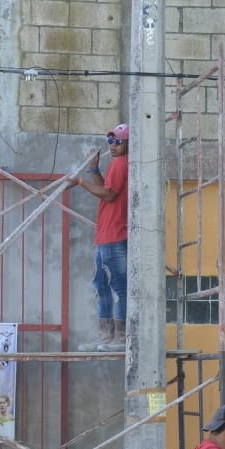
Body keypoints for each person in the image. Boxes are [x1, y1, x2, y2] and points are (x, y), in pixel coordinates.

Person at [70, 123, 129, 352]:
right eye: (111, 141)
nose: (113, 146)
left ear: (128, 144)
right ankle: (106, 336)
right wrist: (93, 170)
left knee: (118, 286)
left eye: (119, 141)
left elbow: (109, 195)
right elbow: (107, 188)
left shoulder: (119, 163)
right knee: (101, 284)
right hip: (106, 235)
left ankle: (121, 337)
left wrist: (81, 182)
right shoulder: (117, 164)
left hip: (114, 235)